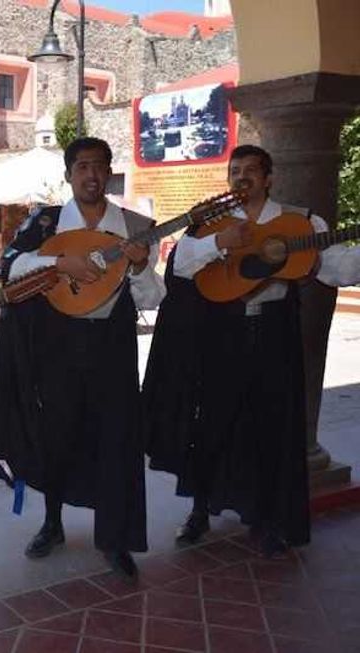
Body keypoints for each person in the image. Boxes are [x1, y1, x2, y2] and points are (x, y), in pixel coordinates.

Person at [144, 144, 360, 557]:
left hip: (275, 333)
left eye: (250, 170)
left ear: (268, 178)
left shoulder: (301, 221)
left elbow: (339, 269)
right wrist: (219, 242)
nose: (241, 177)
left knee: (271, 427)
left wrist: (324, 261)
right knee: (212, 424)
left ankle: (267, 519)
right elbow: (182, 265)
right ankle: (200, 510)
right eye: (234, 170)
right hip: (221, 335)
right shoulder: (214, 220)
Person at [0, 137, 164, 579]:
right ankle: (52, 523)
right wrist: (58, 262)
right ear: (69, 175)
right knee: (57, 433)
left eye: (99, 166)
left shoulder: (134, 226)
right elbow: (9, 268)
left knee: (117, 438)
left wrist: (139, 267)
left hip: (112, 345)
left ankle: (115, 538)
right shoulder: (46, 222)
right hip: (58, 344)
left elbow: (152, 297)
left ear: (108, 173)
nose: (91, 174)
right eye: (82, 166)